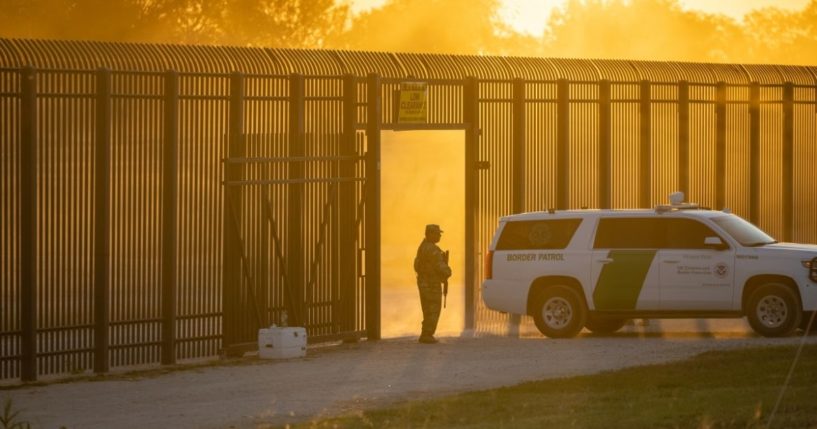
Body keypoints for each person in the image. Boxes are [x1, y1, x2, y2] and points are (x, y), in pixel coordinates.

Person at [413, 224, 452, 344]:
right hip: (431, 284)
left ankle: (426, 333)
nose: (439, 235)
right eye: (437, 233)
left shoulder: (423, 246)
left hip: (425, 283)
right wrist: (448, 271)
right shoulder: (432, 249)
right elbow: (439, 266)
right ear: (430, 234)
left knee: (428, 308)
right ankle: (427, 334)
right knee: (433, 308)